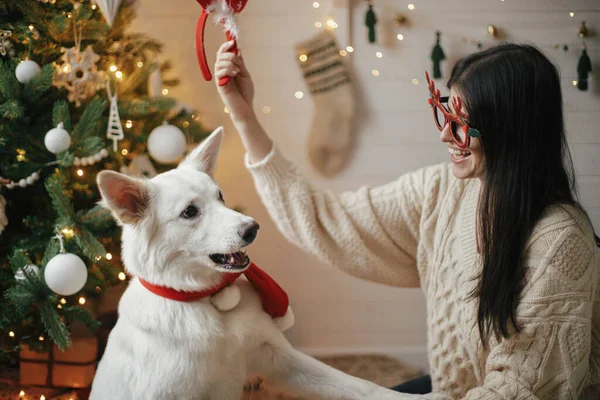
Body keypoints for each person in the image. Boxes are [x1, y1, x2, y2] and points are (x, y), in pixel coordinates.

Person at [214, 40, 600, 399]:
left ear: (512, 131)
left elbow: (519, 389)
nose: (447, 136)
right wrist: (243, 113)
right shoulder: (441, 191)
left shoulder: (560, 242)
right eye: (445, 113)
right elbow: (325, 219)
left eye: (462, 124)